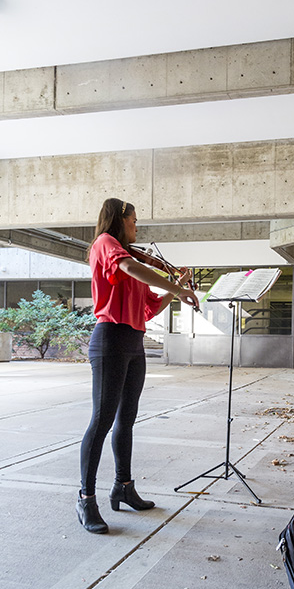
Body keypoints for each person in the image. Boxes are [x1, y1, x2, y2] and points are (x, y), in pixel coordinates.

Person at [77, 198, 198, 534]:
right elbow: (129, 268)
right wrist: (174, 283)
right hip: (110, 340)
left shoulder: (131, 257)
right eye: (133, 220)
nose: (136, 227)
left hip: (133, 342)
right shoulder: (106, 245)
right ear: (120, 218)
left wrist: (177, 289)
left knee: (126, 420)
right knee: (101, 421)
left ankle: (123, 487)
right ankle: (86, 499)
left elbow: (150, 309)